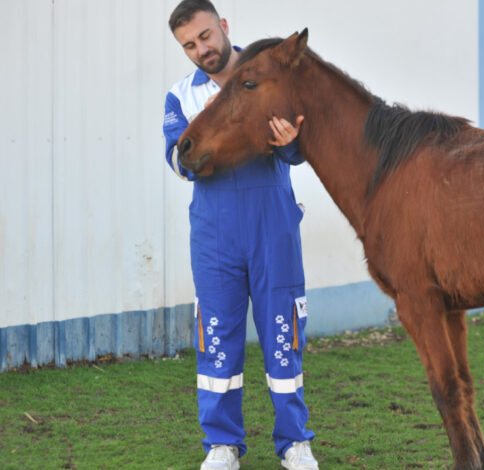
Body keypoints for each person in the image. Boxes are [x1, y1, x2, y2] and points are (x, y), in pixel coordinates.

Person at [163, 1, 317, 469]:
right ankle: (222, 445)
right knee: (216, 338)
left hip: (273, 225)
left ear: (224, 26)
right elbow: (176, 159)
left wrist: (291, 142)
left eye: (206, 36)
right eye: (189, 44)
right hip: (214, 234)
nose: (201, 49)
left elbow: (298, 148)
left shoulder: (268, 75)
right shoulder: (180, 96)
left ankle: (294, 442)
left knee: (283, 337)